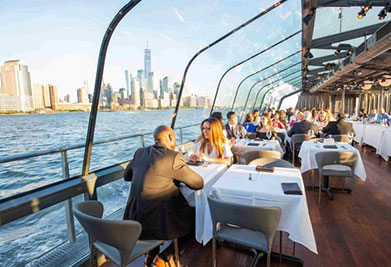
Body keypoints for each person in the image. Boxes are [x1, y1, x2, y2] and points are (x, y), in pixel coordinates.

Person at [123, 125, 204, 266]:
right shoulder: (174, 157)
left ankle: (150, 254)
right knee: (196, 218)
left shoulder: (139, 153)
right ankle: (164, 258)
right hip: (159, 222)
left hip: (134, 218)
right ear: (171, 137)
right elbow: (198, 183)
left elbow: (127, 176)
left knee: (156, 208)